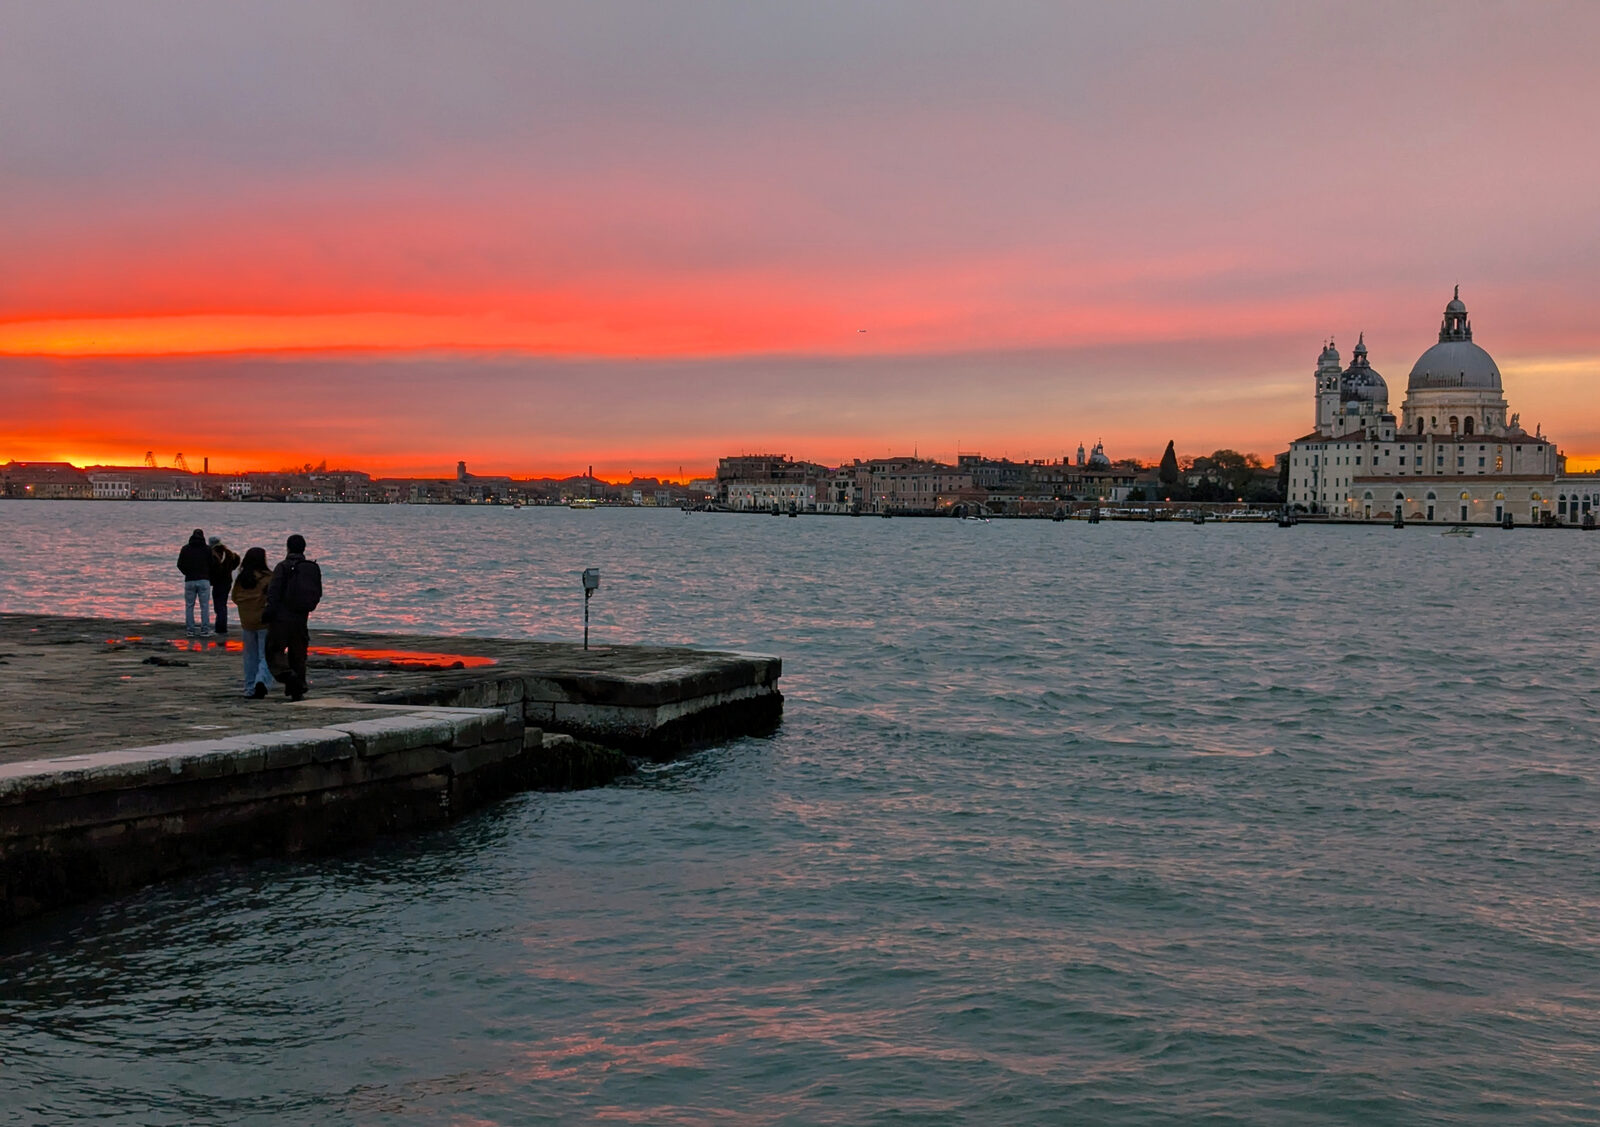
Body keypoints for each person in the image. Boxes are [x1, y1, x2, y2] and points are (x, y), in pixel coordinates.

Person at [264, 533, 322, 701]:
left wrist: (269, 612)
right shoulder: (310, 568)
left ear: (288, 547)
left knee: (273, 651)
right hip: (301, 617)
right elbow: (317, 593)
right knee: (298, 654)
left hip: (282, 618)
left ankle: (289, 677)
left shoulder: (282, 567)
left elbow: (273, 592)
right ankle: (297, 690)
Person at [230, 547, 276, 699]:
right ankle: (261, 680)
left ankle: (249, 687)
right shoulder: (268, 577)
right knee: (267, 656)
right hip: (264, 622)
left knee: (249, 657)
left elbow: (235, 598)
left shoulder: (241, 579)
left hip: (247, 622)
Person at [177, 528, 213, 636]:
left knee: (189, 606)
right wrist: (207, 573)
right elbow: (212, 564)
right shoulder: (207, 549)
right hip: (204, 579)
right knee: (205, 606)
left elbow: (180, 564)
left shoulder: (185, 549)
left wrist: (187, 573)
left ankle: (190, 630)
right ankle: (205, 629)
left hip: (190, 580)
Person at [208, 536, 241, 635]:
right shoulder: (228, 552)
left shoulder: (213, 553)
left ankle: (220, 628)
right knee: (222, 604)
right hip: (227, 581)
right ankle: (222, 626)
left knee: (219, 605)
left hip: (218, 581)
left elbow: (213, 566)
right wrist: (230, 569)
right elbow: (237, 559)